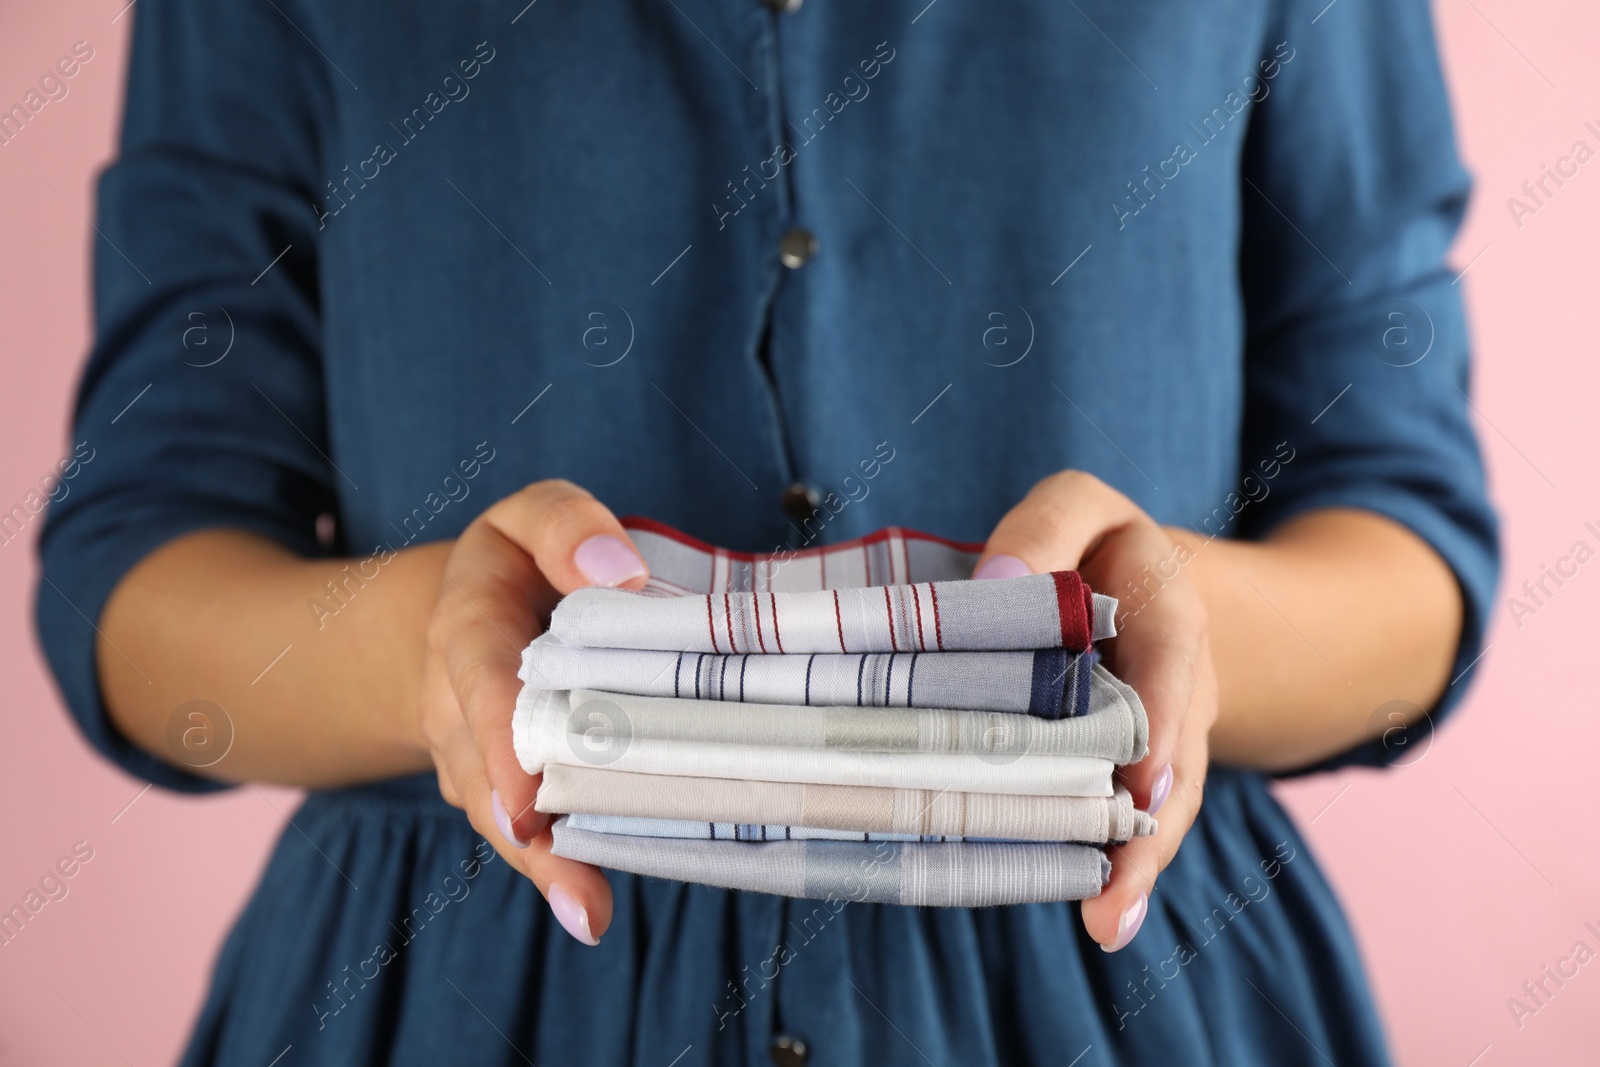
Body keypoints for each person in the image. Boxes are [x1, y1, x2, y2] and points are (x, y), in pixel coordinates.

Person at [36, 0, 1497, 1063]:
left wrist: (1173, 622)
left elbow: (1410, 545)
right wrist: (441, 650)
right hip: (453, 1002)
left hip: (1134, 997)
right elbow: (141, 574)